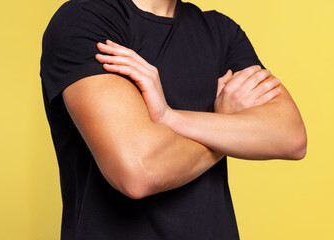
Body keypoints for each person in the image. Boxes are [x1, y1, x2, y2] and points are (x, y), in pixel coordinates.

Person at [40, 0, 307, 239]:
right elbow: (140, 171)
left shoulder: (221, 32)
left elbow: (291, 137)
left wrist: (170, 117)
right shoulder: (86, 20)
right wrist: (222, 124)